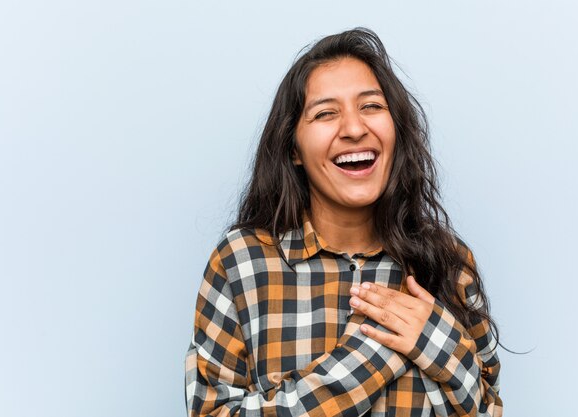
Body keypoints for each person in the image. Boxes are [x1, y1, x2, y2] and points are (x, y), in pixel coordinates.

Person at [185, 28, 503, 417]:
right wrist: (369, 359)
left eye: (371, 106)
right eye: (325, 113)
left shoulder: (448, 262)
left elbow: (489, 408)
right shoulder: (242, 263)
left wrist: (437, 344)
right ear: (294, 149)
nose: (354, 129)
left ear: (397, 131)